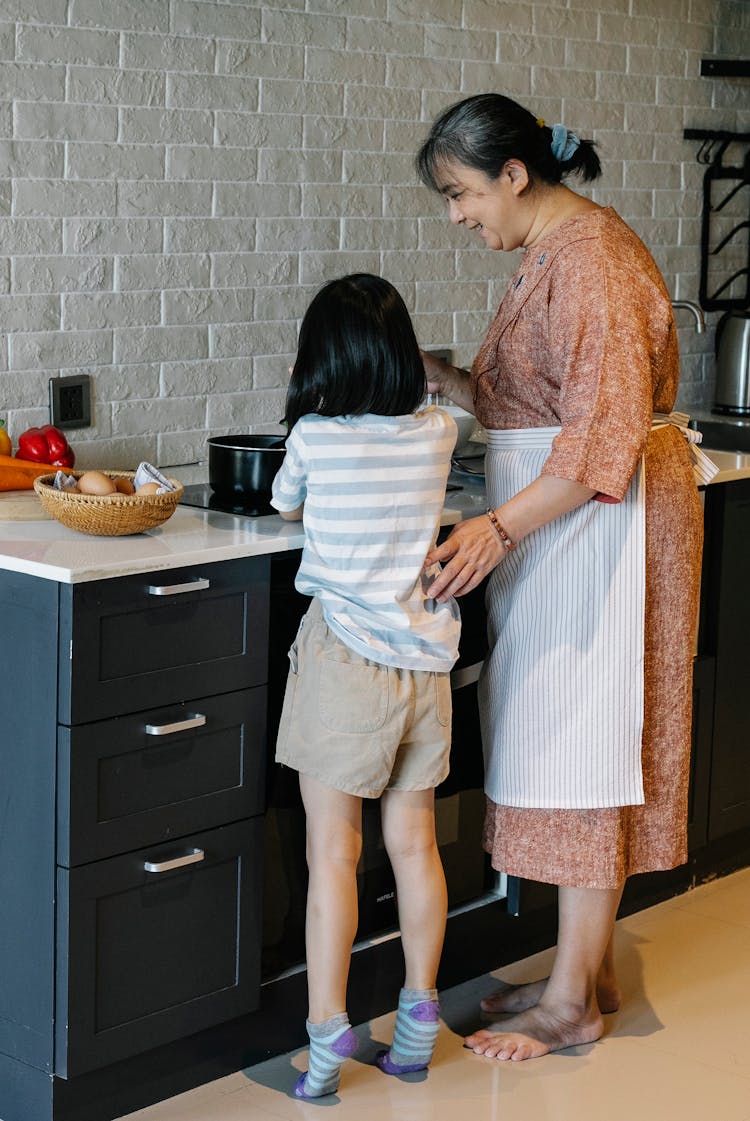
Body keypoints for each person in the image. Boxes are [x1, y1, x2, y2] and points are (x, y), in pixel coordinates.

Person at [414, 93, 707, 1062]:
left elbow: (596, 447)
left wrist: (496, 528)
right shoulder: (548, 252)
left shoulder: (594, 262)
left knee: (593, 737)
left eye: (460, 194)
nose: (456, 215)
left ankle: (575, 998)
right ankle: (586, 968)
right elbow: (539, 399)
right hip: (571, 528)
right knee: (573, 731)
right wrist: (444, 380)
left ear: (513, 175)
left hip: (607, 527)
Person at [270, 273, 461, 1098]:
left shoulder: (313, 435)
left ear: (323, 358)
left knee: (332, 855)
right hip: (425, 665)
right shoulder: (438, 430)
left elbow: (284, 506)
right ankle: (417, 1024)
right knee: (415, 847)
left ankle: (324, 1037)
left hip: (346, 661)